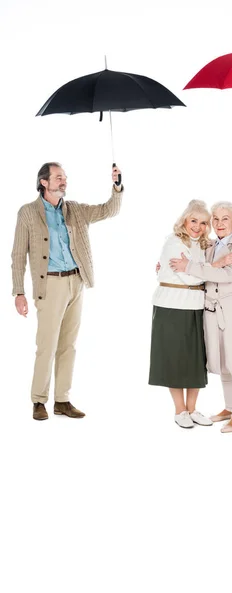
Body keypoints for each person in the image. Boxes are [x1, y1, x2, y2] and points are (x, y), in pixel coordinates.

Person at [11, 162, 123, 420]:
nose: (64, 181)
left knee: (68, 345)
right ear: (43, 182)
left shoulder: (75, 210)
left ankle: (62, 400)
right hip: (49, 285)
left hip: (76, 282)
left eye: (65, 178)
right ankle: (39, 401)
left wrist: (116, 186)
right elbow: (18, 255)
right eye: (58, 178)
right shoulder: (27, 213)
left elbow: (109, 210)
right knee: (46, 346)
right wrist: (18, 291)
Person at [170, 202, 232, 433]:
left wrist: (188, 267)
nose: (219, 224)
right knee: (224, 363)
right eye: (216, 219)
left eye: (225, 219)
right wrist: (170, 267)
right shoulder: (209, 244)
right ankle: (229, 408)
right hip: (212, 311)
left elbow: (224, 274)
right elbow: (197, 258)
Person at [149, 200, 215, 428]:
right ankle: (180, 410)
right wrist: (209, 271)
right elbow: (190, 278)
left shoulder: (205, 245)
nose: (197, 226)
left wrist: (198, 268)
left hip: (196, 306)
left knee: (196, 360)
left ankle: (193, 409)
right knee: (175, 360)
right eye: (193, 220)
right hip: (172, 306)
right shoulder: (174, 242)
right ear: (184, 220)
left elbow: (199, 271)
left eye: (203, 222)